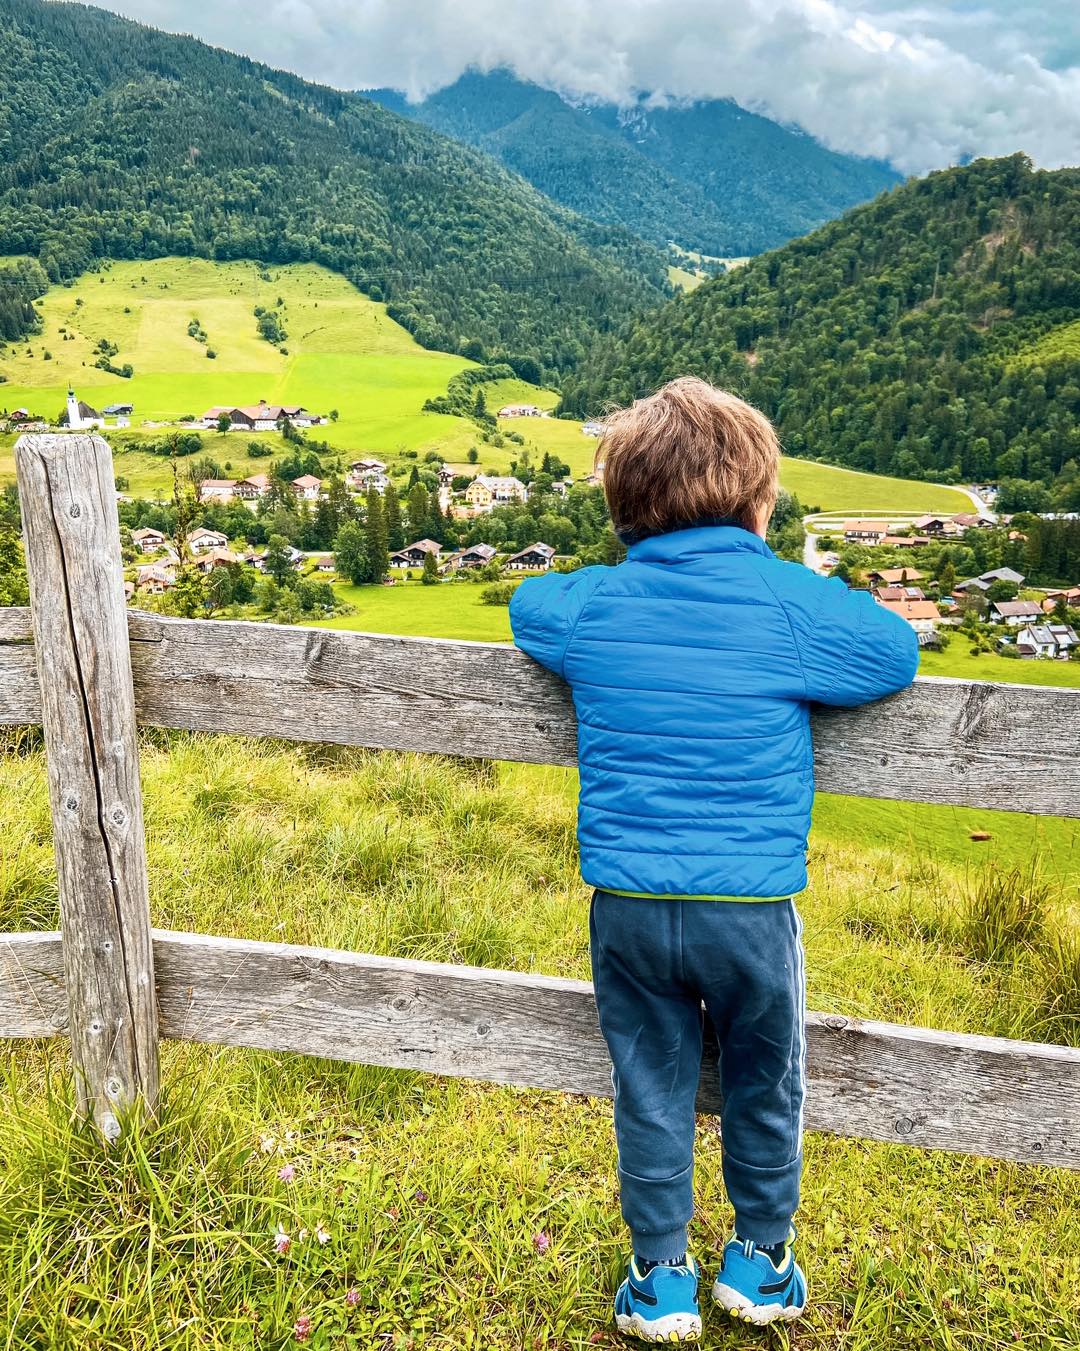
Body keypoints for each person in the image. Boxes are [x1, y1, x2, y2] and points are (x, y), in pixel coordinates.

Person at [509, 377, 919, 1341]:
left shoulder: (594, 605)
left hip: (630, 904)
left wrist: (608, 574)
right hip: (750, 907)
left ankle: (660, 1278)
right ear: (759, 499)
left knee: (648, 1082)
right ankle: (762, 1261)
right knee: (763, 1075)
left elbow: (531, 604)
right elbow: (892, 650)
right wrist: (809, 583)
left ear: (624, 504)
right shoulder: (784, 603)